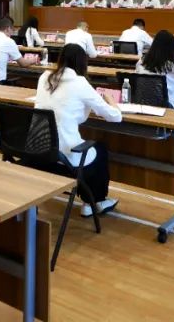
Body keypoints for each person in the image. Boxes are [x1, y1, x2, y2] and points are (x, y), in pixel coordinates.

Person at [35, 43, 121, 217]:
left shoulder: (44, 77)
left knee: (89, 150)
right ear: (83, 63)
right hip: (63, 160)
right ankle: (95, 201)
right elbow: (115, 117)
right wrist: (112, 102)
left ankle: (89, 201)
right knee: (100, 150)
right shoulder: (80, 83)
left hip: (38, 154)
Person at [0, 16, 35, 82]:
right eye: (12, 30)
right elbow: (23, 64)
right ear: (8, 28)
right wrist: (33, 60)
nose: (12, 33)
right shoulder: (9, 41)